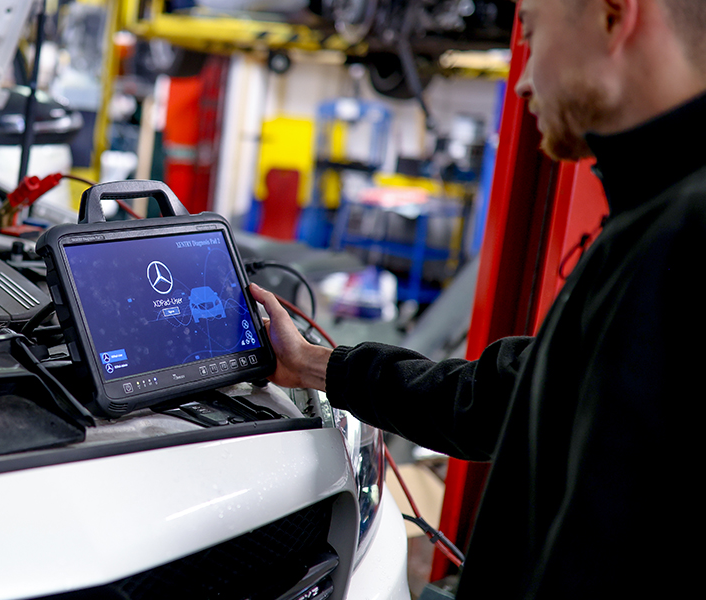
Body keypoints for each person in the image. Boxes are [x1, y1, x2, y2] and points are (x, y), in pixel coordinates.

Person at [249, 0, 706, 596]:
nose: (522, 81)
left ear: (613, 18)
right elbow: (503, 396)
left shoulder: (683, 236)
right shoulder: (650, 222)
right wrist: (313, 365)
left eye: (533, 33)